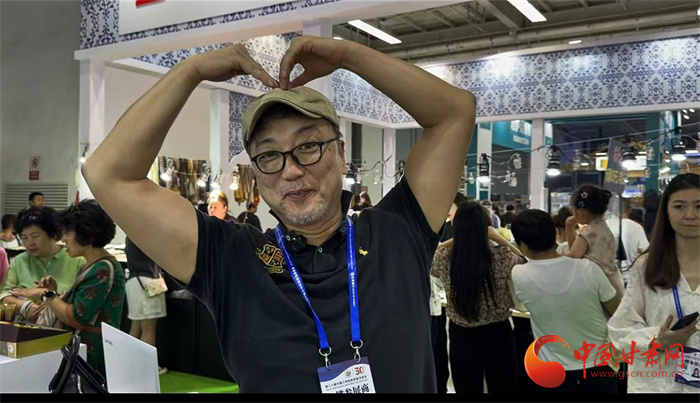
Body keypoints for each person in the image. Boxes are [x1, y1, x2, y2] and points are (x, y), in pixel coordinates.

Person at [81, 36, 476, 392]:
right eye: (269, 155)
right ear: (256, 173)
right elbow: (107, 173)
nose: (291, 170)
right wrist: (191, 70)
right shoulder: (230, 259)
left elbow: (455, 112)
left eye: (308, 146)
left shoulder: (397, 232)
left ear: (341, 153)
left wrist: (346, 55)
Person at [510, 210, 621, 394]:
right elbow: (618, 311)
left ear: (522, 245)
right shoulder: (588, 268)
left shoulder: (519, 274)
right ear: (555, 232)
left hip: (552, 367)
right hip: (597, 362)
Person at [608, 173, 700, 393]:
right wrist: (656, 342)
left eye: (699, 206)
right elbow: (621, 328)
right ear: (666, 212)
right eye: (679, 206)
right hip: (657, 384)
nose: (690, 215)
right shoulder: (648, 266)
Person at [11, 200, 125, 377]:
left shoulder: (102, 269)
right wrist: (53, 293)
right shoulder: (93, 265)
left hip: (91, 353)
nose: (64, 239)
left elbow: (77, 317)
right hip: (84, 349)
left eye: (68, 233)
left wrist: (46, 294)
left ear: (87, 235)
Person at [430, 201, 523, 394]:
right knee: (504, 387)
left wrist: (456, 239)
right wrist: (499, 238)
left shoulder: (445, 258)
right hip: (498, 334)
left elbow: (429, 257)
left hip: (461, 336)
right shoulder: (502, 256)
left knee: (466, 388)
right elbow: (524, 261)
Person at [0, 207, 83, 322]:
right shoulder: (20, 261)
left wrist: (46, 295)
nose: (30, 243)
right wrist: (25, 307)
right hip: (26, 326)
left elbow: (81, 304)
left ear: (53, 234)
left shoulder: (76, 259)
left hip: (65, 326)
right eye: (24, 238)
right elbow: (4, 295)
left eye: (35, 236)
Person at [564, 185, 624, 299]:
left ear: (581, 212)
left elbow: (574, 255)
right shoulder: (604, 228)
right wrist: (569, 229)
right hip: (612, 278)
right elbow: (576, 249)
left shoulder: (588, 231)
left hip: (594, 280)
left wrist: (563, 253)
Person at [125, 237, 168, 375]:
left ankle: (129, 364)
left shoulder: (131, 234)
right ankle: (147, 368)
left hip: (133, 282)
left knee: (136, 326)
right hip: (148, 283)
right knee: (148, 328)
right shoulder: (150, 234)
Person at [606, 200, 649, 284]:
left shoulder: (606, 225)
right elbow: (646, 251)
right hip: (630, 278)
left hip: (610, 278)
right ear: (630, 209)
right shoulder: (637, 227)